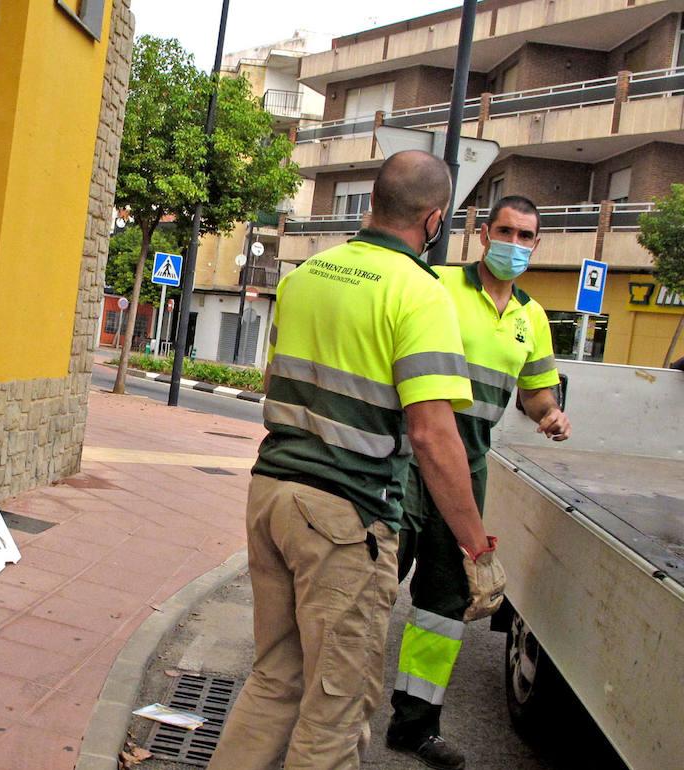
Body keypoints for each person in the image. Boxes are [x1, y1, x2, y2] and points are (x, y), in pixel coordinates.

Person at [209, 150, 499, 770]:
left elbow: (274, 381)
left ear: (372, 201)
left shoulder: (305, 275)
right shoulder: (419, 295)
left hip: (273, 493)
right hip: (345, 516)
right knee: (337, 707)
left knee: (276, 679)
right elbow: (432, 436)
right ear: (435, 220)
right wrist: (477, 545)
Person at [386, 195, 570, 770]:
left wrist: (549, 414)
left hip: (468, 469)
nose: (515, 244)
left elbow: (535, 391)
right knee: (367, 587)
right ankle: (325, 702)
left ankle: (415, 725)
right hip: (408, 456)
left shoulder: (531, 318)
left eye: (526, 237)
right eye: (506, 232)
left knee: (443, 604)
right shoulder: (434, 283)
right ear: (483, 233)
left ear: (536, 245)